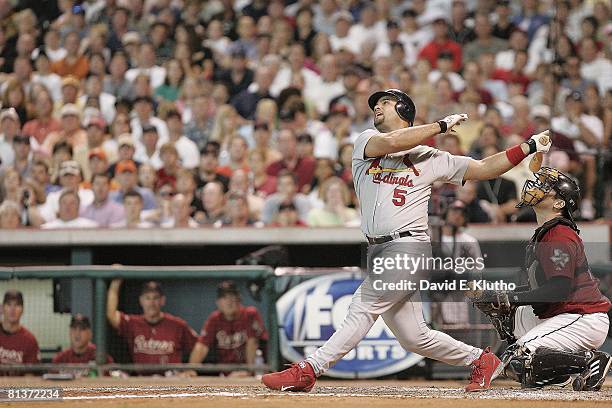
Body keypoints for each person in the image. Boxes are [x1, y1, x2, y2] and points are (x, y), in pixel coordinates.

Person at [262, 88, 552, 392]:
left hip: (408, 245)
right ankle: (481, 359)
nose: (378, 106)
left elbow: (484, 168)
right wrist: (440, 126)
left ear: (403, 110)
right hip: (377, 247)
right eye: (377, 103)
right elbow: (392, 142)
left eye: (386, 103)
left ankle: (310, 369)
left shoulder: (431, 157)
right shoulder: (366, 141)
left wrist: (529, 146)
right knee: (414, 337)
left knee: (363, 305)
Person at [470, 167, 610, 390]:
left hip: (582, 317)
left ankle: (589, 361)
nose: (538, 188)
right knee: (511, 317)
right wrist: (505, 297)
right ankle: (557, 374)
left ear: (559, 204)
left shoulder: (559, 234)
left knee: (519, 359)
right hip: (564, 313)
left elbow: (558, 290)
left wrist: (511, 296)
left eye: (548, 189)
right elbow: (544, 289)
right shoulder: (547, 232)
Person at [106, 280, 198, 365]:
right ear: (141, 301)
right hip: (143, 380)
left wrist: (191, 368)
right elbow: (111, 315)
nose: (151, 303)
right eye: (147, 298)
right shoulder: (132, 323)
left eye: (155, 298)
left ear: (162, 300)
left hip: (171, 379)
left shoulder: (177, 325)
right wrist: (115, 284)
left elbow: (199, 346)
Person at [188, 281, 268, 375]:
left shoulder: (249, 314)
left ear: (239, 299)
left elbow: (252, 343)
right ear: (218, 303)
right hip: (226, 373)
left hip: (253, 370)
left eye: (232, 296)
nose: (229, 301)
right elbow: (201, 346)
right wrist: (190, 369)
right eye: (224, 297)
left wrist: (249, 371)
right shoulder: (215, 319)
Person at [0, 290, 40, 365]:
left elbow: (30, 375)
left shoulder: (29, 340)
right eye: (9, 304)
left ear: (22, 310)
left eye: (17, 305)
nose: (13, 309)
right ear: (2, 308)